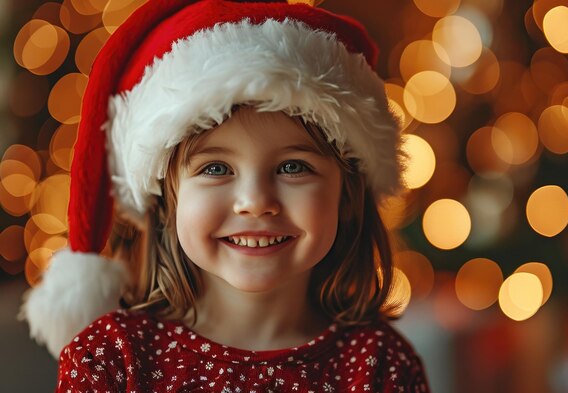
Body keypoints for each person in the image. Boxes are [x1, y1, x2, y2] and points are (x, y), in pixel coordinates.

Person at [21, 0, 431, 391]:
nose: (254, 201)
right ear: (167, 199)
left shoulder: (382, 364)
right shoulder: (110, 359)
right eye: (215, 169)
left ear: (347, 194)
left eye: (293, 167)